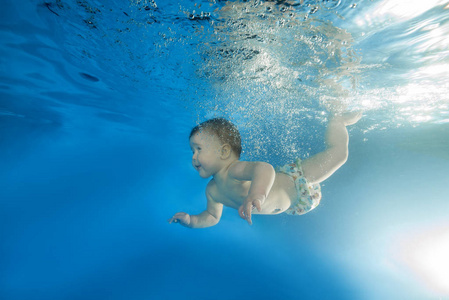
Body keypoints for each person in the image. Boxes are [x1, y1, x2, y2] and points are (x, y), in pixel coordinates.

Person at [168, 112, 362, 227]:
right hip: (296, 204)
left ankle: (337, 120)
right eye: (192, 151)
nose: (193, 157)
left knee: (338, 155)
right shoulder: (212, 191)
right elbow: (212, 216)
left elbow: (264, 169)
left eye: (198, 149)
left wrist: (257, 195)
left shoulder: (234, 170)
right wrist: (192, 221)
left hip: (296, 179)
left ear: (224, 151)